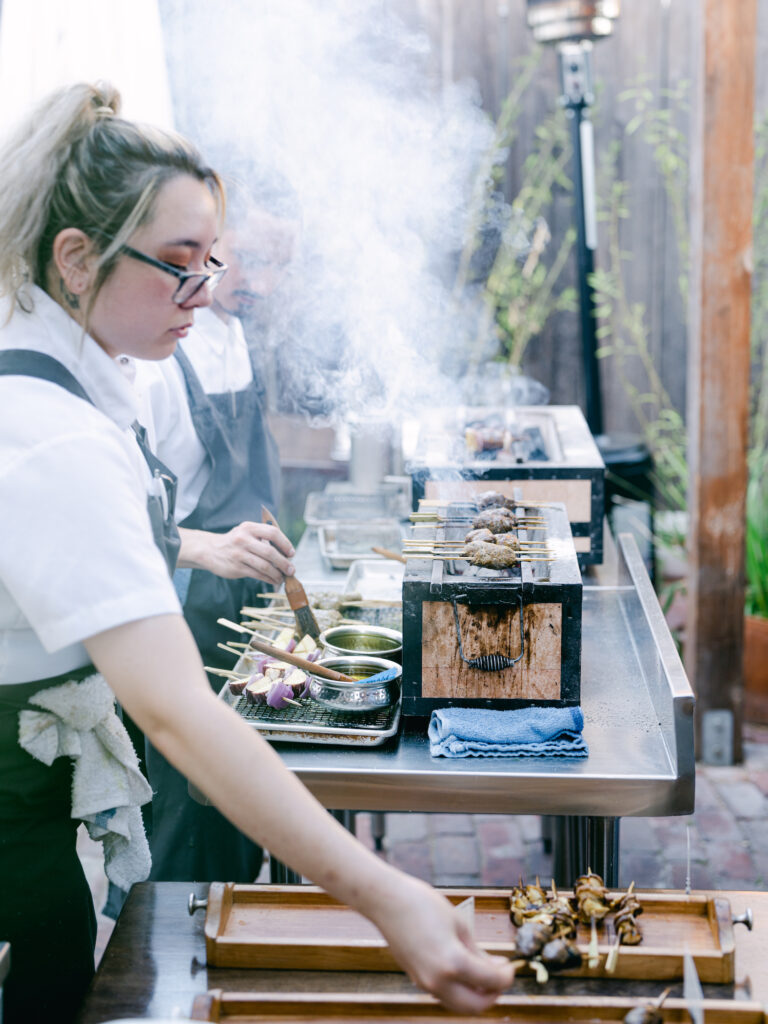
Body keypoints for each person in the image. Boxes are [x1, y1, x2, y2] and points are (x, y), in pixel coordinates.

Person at [0, 82, 516, 1024]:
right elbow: (180, 717)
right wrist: (387, 897)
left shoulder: (70, 387)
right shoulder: (53, 436)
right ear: (76, 259)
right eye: (180, 265)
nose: (207, 291)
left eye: (215, 263)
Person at [129, 174, 299, 886]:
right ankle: (166, 979)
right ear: (205, 245)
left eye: (279, 263)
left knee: (240, 806)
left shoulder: (232, 332)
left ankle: (241, 939)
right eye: (246, 258)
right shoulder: (158, 360)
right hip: (179, 604)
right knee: (183, 813)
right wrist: (207, 549)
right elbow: (123, 514)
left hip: (242, 600)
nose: (259, 281)